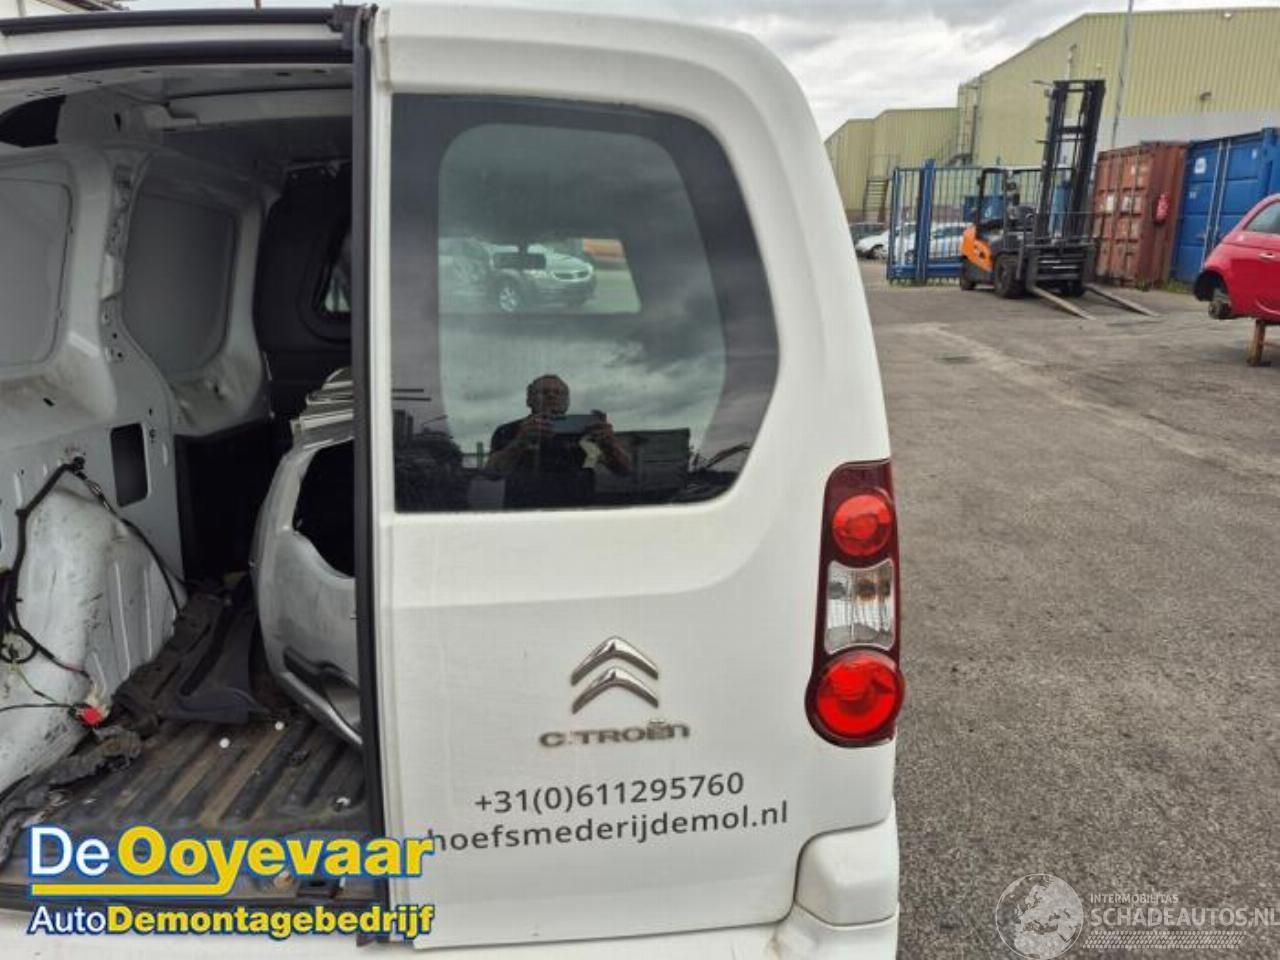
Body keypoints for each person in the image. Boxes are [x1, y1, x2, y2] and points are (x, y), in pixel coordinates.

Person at [486, 374, 631, 508]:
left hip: (576, 516)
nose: (551, 396)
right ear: (529, 400)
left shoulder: (585, 431)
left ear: (567, 402)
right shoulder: (510, 431)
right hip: (525, 516)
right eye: (544, 392)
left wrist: (609, 444)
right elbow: (492, 473)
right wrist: (520, 441)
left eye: (559, 393)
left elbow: (624, 470)